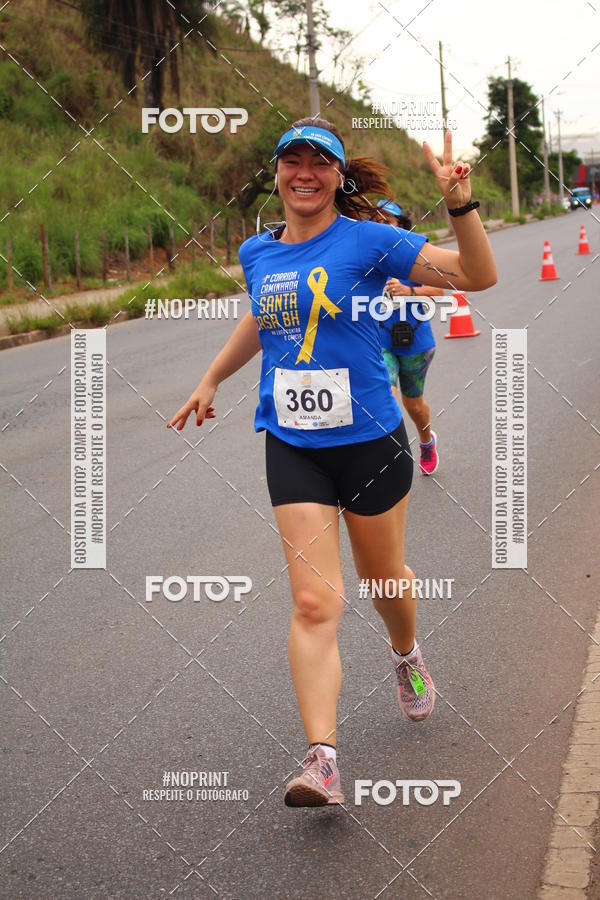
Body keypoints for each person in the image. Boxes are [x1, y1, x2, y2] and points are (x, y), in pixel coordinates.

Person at [167, 119, 497, 807]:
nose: (306, 172)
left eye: (321, 162)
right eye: (294, 160)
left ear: (340, 177)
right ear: (278, 172)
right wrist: (212, 378)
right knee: (316, 600)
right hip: (291, 444)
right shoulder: (257, 251)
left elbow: (477, 275)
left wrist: (458, 201)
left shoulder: (371, 240)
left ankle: (406, 655)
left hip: (371, 442)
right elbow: (261, 320)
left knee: (385, 583)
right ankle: (322, 759)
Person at [376, 199, 444, 475]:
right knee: (387, 397)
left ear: (400, 225)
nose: (380, 225)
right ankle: (393, 457)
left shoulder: (412, 256)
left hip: (416, 342)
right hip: (381, 341)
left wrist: (408, 290)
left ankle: (426, 440)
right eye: (375, 221)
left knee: (413, 405)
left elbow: (440, 291)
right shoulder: (367, 259)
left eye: (386, 221)